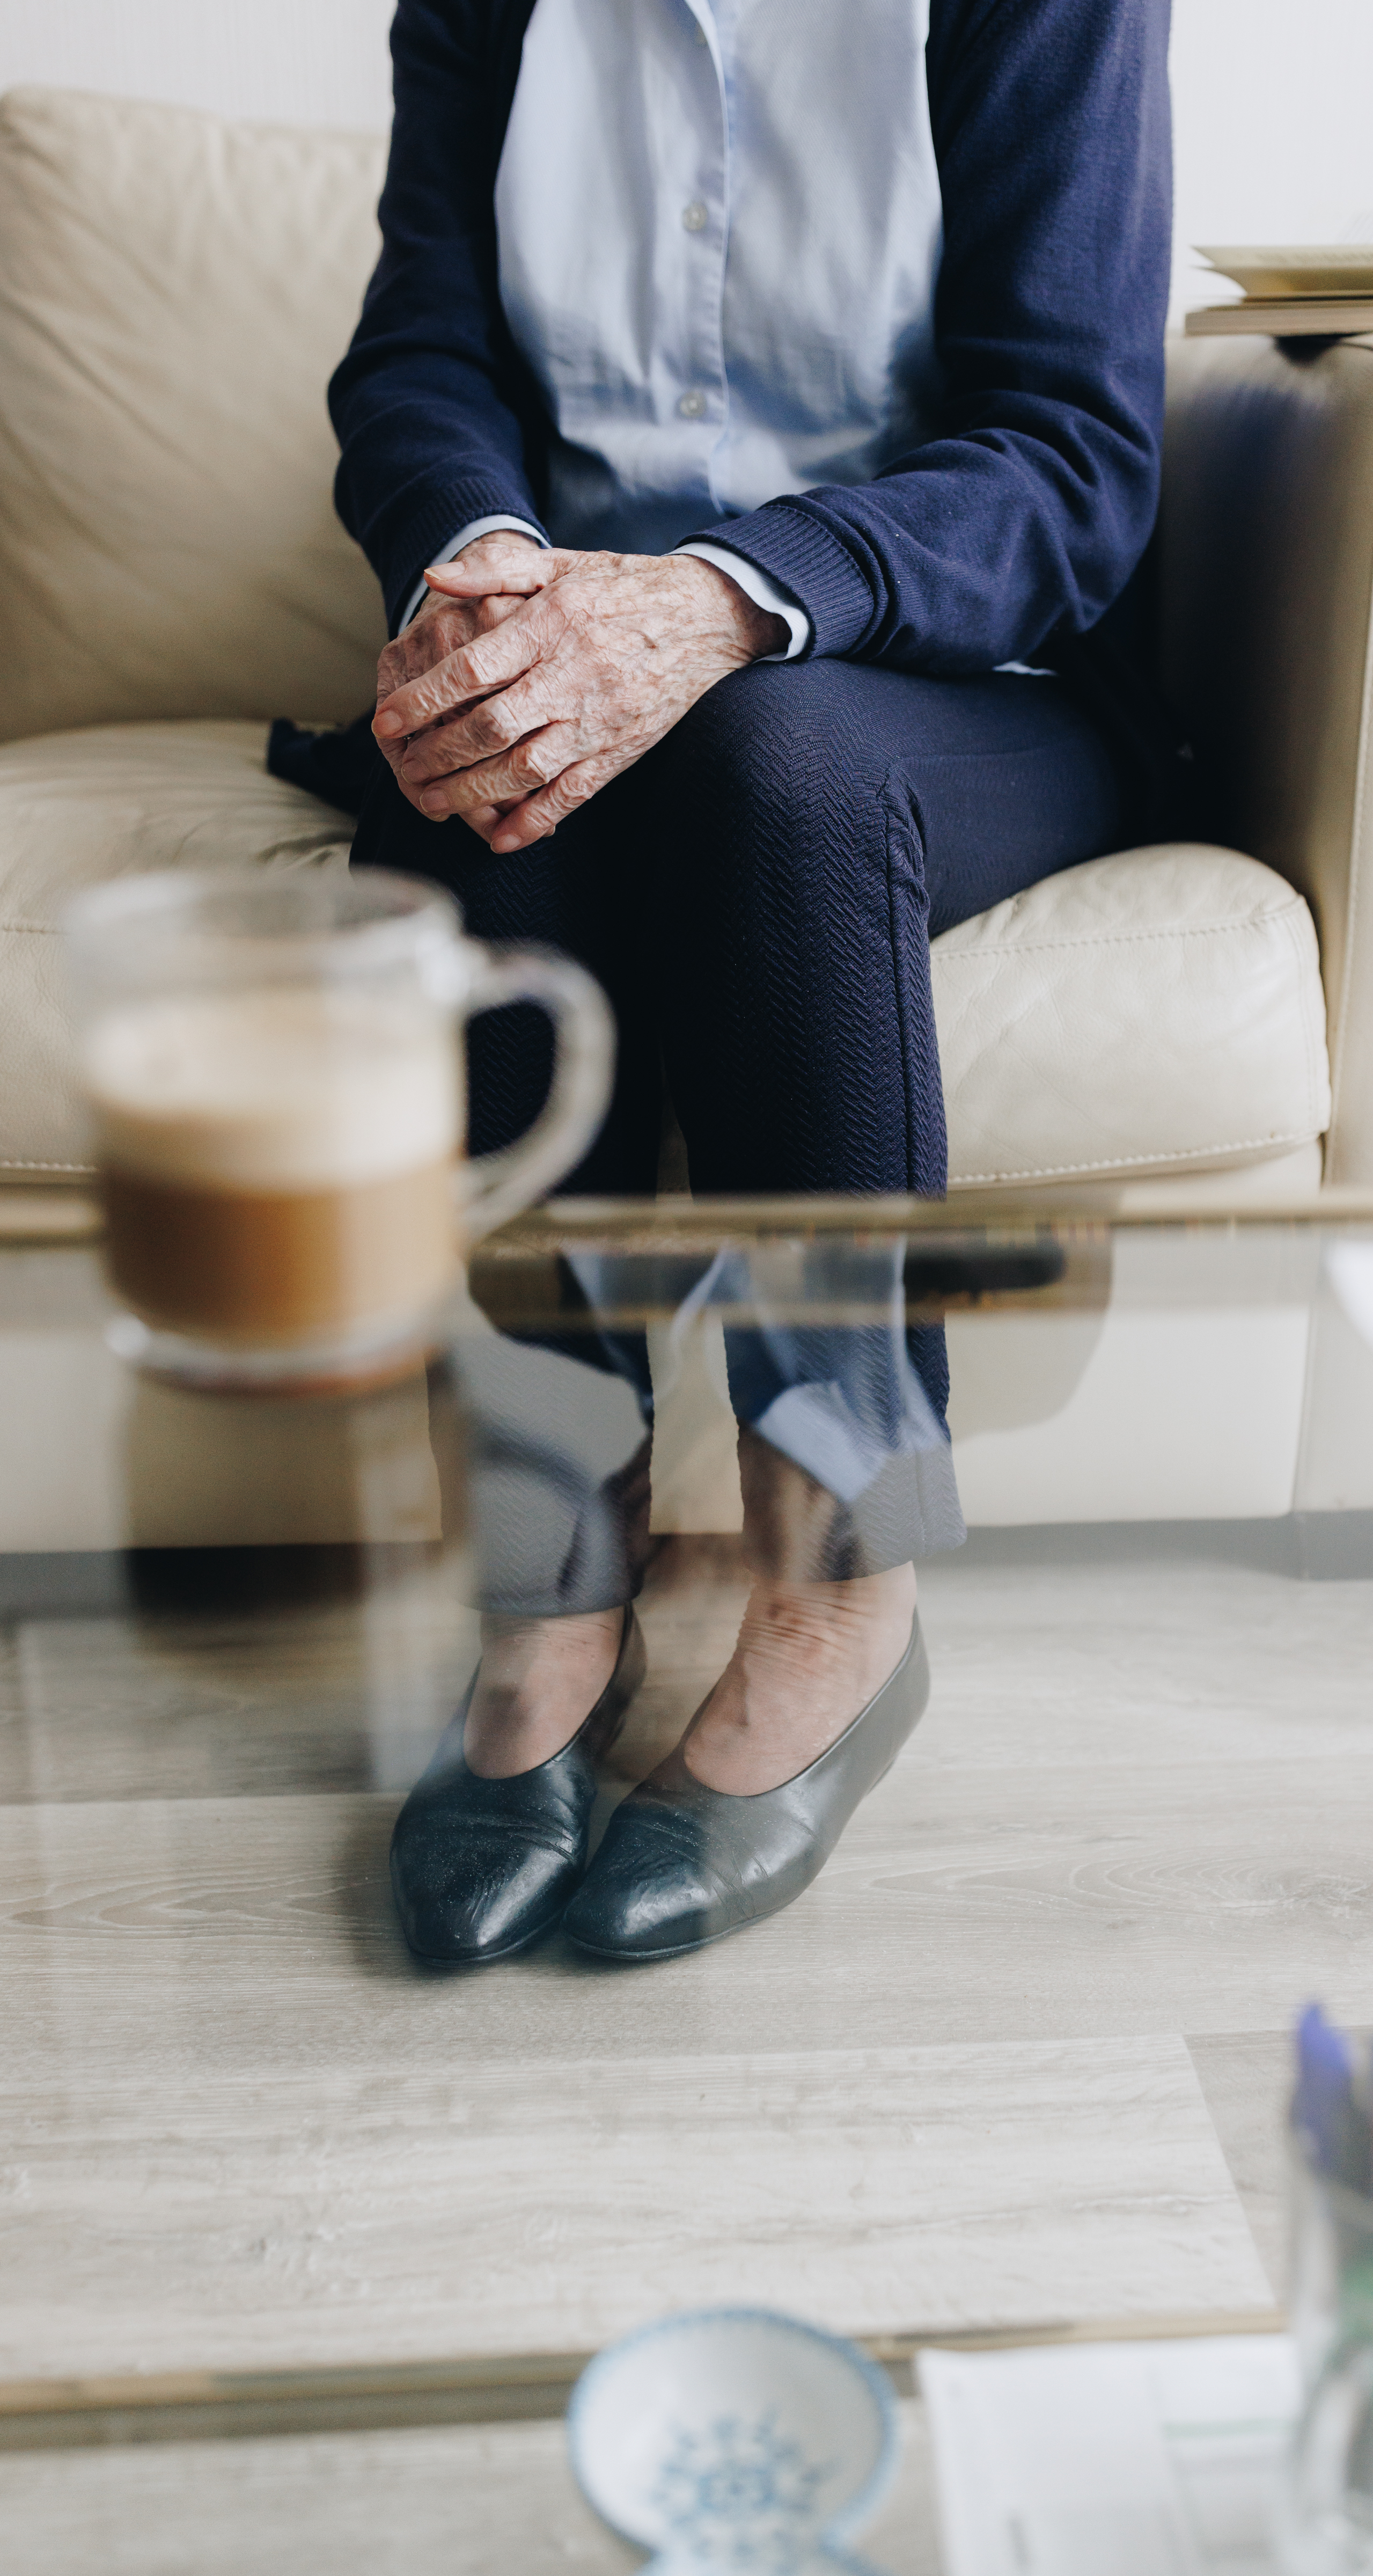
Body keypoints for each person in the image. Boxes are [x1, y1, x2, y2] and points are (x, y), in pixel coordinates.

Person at [325, 0, 1173, 1968]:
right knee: (485, 772)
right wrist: (485, 567)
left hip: (945, 681)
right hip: (584, 637)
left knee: (767, 768)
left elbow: (1068, 458)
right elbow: (421, 348)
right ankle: (551, 1587)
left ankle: (842, 1590)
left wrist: (719, 603)